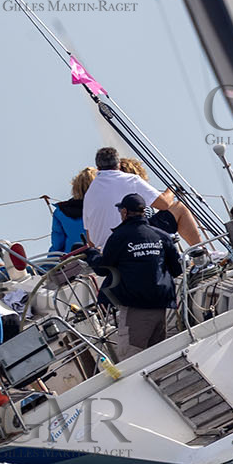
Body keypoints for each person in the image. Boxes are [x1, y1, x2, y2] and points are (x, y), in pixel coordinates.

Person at [87, 192, 184, 361]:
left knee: (131, 362)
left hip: (136, 310)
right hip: (161, 306)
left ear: (124, 212)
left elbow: (103, 269)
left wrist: (91, 254)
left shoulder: (119, 237)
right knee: (158, 360)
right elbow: (176, 269)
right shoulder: (161, 236)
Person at [82, 146, 201, 247]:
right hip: (132, 241)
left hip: (107, 250)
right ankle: (202, 253)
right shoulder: (131, 180)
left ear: (98, 167)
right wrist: (172, 189)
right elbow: (164, 204)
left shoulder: (90, 192)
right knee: (179, 207)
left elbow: (90, 239)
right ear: (118, 165)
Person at [50, 167, 96, 255]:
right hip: (99, 258)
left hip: (71, 261)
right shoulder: (103, 209)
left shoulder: (61, 212)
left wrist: (47, 267)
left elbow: (57, 245)